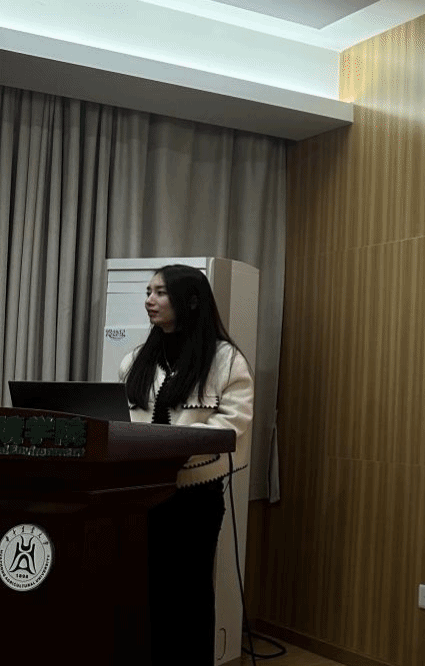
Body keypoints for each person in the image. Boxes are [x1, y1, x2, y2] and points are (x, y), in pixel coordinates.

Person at [119, 264, 254, 666]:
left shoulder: (226, 360)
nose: (149, 300)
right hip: (140, 497)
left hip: (195, 498)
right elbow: (121, 418)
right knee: (143, 595)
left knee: (189, 598)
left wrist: (172, 446)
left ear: (190, 301)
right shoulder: (135, 360)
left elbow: (233, 425)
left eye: (160, 292)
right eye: (148, 291)